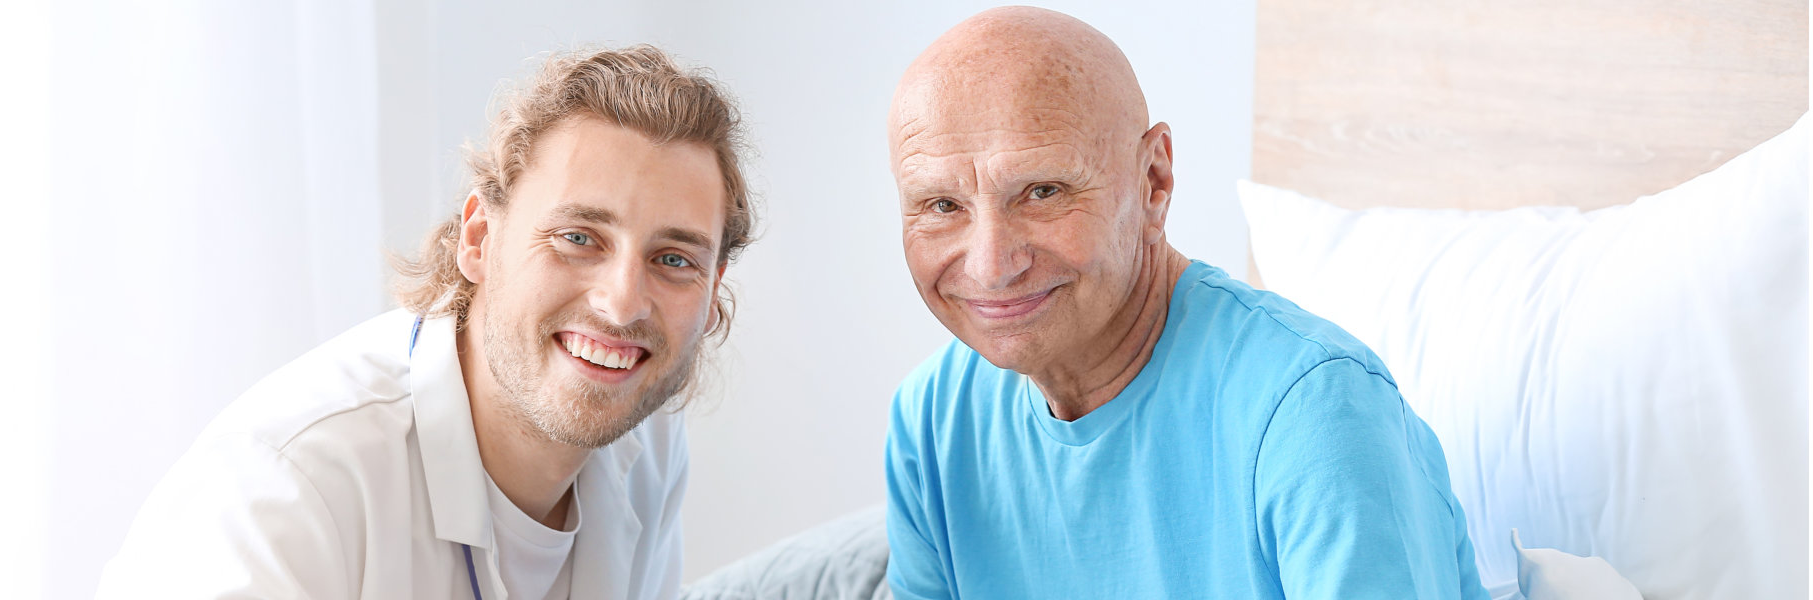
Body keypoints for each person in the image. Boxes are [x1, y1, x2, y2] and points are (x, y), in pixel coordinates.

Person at [98, 45, 754, 600]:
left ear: (714, 288)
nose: (622, 304)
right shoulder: (290, 491)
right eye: (579, 237)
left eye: (673, 259)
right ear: (478, 239)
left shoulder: (647, 430)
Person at [881, 7, 1490, 599]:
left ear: (1153, 183)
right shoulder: (933, 420)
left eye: (1043, 192)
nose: (990, 265)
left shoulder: (1315, 412)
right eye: (941, 206)